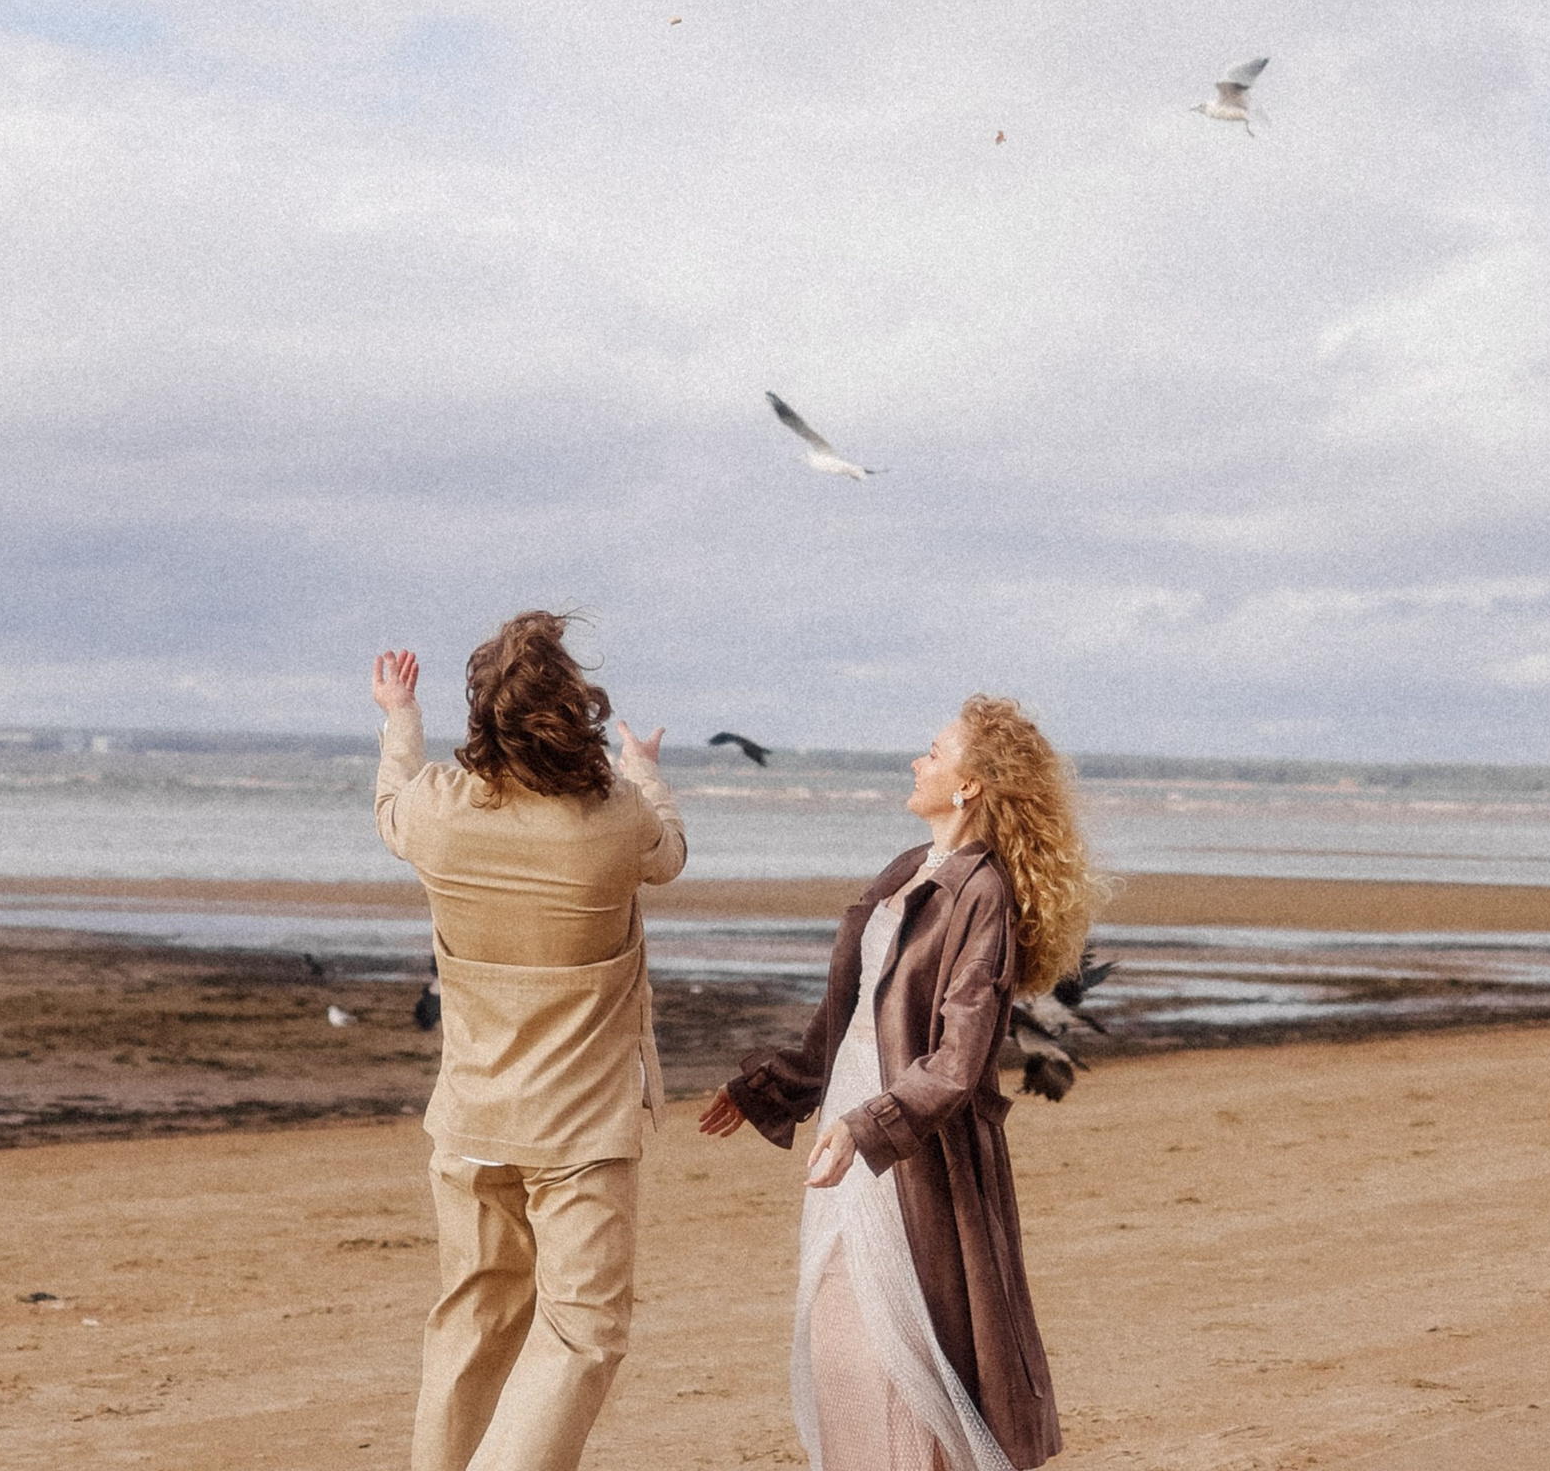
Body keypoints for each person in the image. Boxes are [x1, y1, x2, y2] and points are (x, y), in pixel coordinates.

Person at [702, 695, 1094, 1471]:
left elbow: (958, 1061)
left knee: (902, 1360)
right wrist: (774, 1088)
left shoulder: (983, 895)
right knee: (843, 1343)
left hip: (914, 1165)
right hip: (857, 1146)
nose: (917, 762)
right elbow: (847, 1019)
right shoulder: (909, 870)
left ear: (971, 786)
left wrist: (862, 1125)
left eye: (934, 753)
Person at [373, 613, 685, 1471]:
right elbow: (670, 855)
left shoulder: (437, 812)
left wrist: (400, 714)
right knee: (583, 1334)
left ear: (485, 715)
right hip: (582, 1130)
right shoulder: (614, 817)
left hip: (473, 1120)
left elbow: (390, 802)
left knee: (473, 1323)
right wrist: (645, 769)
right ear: (574, 711)